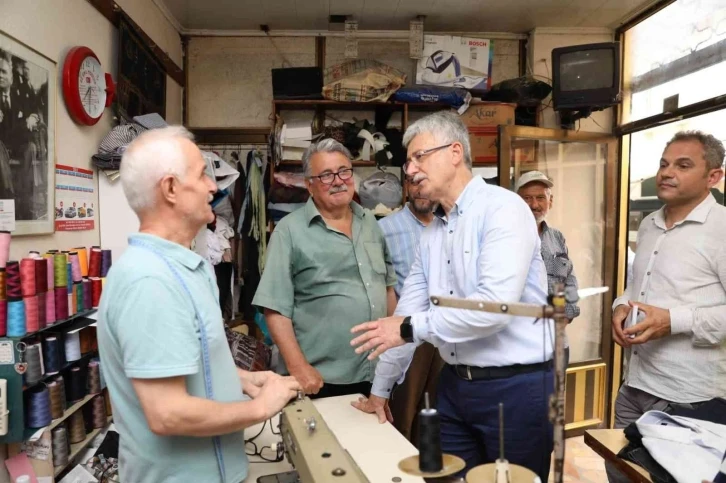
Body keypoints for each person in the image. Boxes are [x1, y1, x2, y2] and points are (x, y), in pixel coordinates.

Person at [350, 111, 555, 480]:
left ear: (455, 152)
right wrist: (380, 391)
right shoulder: (431, 234)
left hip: (516, 390)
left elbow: (493, 310)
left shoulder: (503, 210)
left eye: (418, 157)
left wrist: (409, 328)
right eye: (407, 160)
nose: (409, 170)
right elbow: (406, 314)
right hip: (455, 386)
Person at [97, 126, 301, 483]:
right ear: (171, 188)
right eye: (203, 173)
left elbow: (182, 360)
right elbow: (168, 414)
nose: (213, 186)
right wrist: (260, 407)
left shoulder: (184, 268)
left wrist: (242, 379)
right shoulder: (150, 281)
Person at [607, 130, 726, 482]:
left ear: (714, 176)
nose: (666, 172)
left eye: (683, 165)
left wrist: (672, 322)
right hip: (633, 386)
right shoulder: (649, 224)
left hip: (688, 399)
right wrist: (619, 307)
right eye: (663, 164)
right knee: (622, 477)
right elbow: (634, 288)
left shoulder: (722, 228)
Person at [253, 138, 397, 399]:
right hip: (319, 379)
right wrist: (299, 368)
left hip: (375, 375)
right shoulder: (289, 231)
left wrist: (395, 355)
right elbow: (274, 309)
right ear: (309, 185)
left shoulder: (371, 223)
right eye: (326, 175)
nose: (338, 180)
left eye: (344, 171)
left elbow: (387, 289)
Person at [378, 175, 442, 445]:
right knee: (403, 419)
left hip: (444, 334)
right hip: (406, 337)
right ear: (406, 187)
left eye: (425, 182)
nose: (420, 189)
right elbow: (383, 284)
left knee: (436, 419)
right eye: (413, 182)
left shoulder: (446, 227)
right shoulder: (384, 228)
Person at [515, 170, 580, 366]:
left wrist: (566, 315)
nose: (534, 205)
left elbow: (570, 279)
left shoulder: (557, 237)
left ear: (550, 202)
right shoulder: (504, 236)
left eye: (540, 198)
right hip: (519, 344)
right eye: (527, 198)